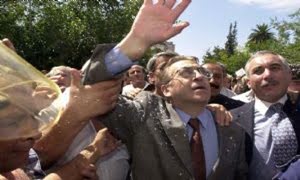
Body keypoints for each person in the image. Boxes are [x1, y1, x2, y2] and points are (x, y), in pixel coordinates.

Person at [82, 1, 248, 179]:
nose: (199, 76)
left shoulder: (231, 129)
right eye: (186, 72)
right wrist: (136, 40)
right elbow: (93, 88)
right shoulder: (143, 115)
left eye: (202, 72)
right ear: (166, 89)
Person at [231, 50, 300, 180]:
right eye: (258, 71)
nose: (267, 75)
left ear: (289, 75)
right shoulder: (231, 119)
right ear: (249, 82)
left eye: (275, 68)